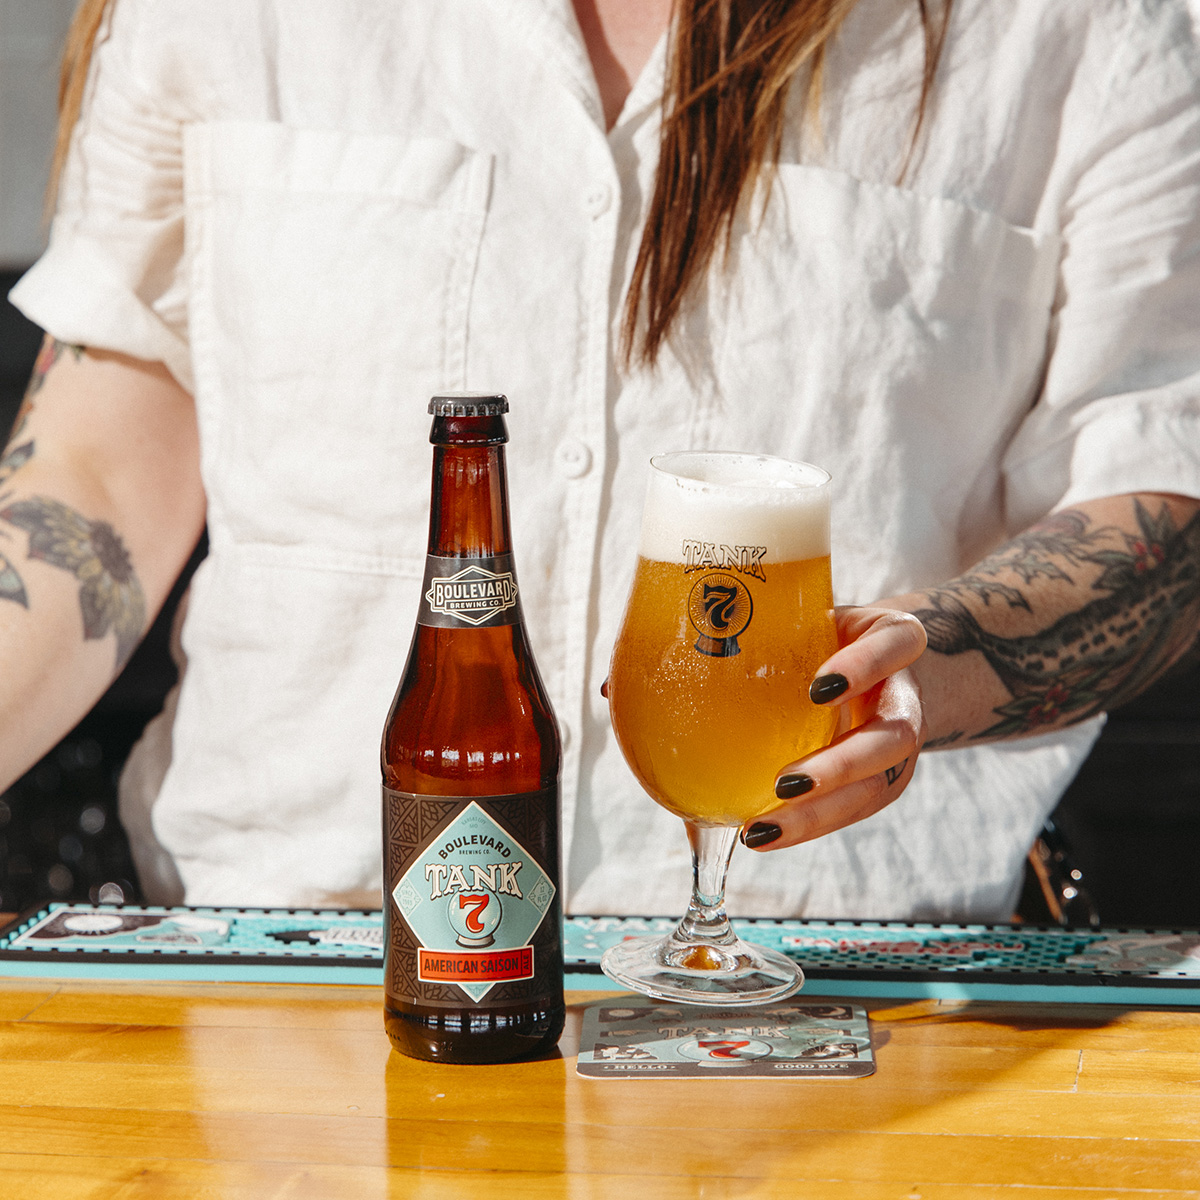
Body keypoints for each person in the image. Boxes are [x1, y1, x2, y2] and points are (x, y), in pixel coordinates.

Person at [1, 0, 1198, 920]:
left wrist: (914, 670)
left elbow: (1160, 507)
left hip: (844, 991)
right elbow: (103, 476)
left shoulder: (1089, 28)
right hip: (266, 968)